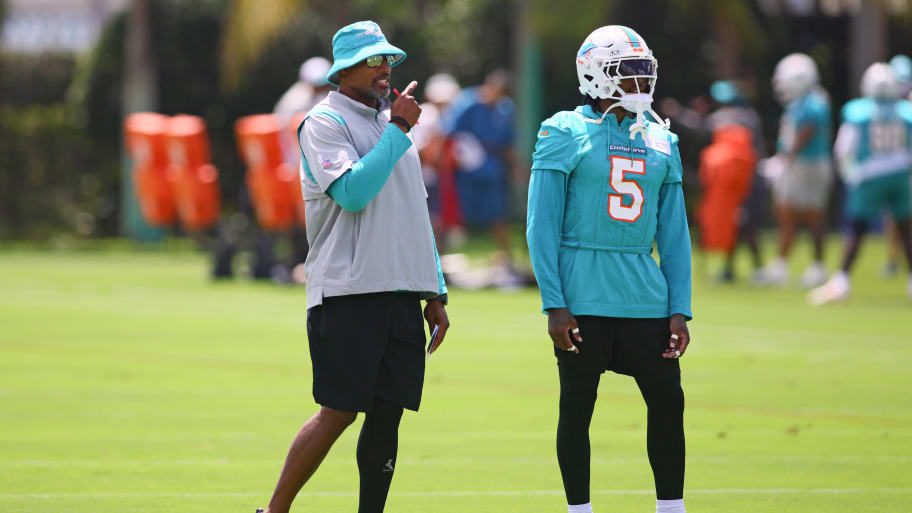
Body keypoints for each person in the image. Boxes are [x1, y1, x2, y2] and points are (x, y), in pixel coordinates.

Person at [256, 21, 450, 513]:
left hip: (402, 291)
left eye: (388, 59)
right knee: (339, 412)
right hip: (348, 291)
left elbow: (414, 211)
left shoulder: (389, 125)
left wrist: (435, 290)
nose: (386, 68)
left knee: (388, 416)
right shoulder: (324, 122)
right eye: (374, 60)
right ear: (344, 71)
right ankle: (274, 510)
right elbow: (354, 192)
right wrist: (400, 130)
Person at [527, 25, 692, 513]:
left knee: (668, 404)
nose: (641, 82)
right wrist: (554, 304)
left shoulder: (663, 139)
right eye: (629, 71)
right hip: (583, 295)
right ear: (595, 74)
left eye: (646, 71)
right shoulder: (564, 130)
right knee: (577, 408)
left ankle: (671, 507)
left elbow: (676, 235)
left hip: (646, 296)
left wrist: (679, 307)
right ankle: (580, 509)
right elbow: (541, 225)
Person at [809, 63, 912, 304]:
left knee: (856, 230)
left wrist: (850, 173)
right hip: (900, 174)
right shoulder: (905, 112)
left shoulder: (859, 112)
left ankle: (841, 280)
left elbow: (843, 148)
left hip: (869, 175)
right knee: (907, 230)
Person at [663, 80, 768, 282]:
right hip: (744, 180)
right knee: (740, 224)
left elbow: (700, 125)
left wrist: (678, 112)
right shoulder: (750, 117)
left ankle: (749, 267)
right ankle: (739, 268)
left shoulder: (729, 117)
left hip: (741, 182)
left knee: (738, 224)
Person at [759, 53, 833, 287]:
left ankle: (818, 266)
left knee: (812, 215)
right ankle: (781, 264)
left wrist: (785, 159)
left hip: (809, 164)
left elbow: (807, 130)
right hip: (797, 163)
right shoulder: (799, 102)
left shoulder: (815, 101)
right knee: (785, 211)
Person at [445, 69, 519, 283]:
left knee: (498, 218)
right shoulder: (467, 102)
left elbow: (508, 144)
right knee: (453, 218)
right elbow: (449, 135)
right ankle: (439, 266)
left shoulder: (505, 109)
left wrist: (516, 168)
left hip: (491, 172)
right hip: (465, 172)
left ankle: (508, 263)